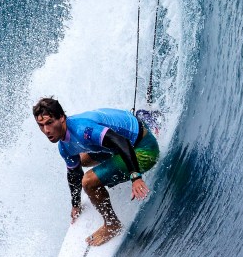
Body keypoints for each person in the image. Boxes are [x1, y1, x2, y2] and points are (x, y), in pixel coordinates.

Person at [33, 97, 160, 246]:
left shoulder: (82, 130)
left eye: (49, 123)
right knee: (82, 160)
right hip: (127, 133)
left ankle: (112, 225)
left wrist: (135, 176)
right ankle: (109, 171)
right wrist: (76, 204)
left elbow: (122, 142)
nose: (46, 130)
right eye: (41, 125)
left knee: (88, 182)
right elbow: (74, 173)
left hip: (143, 149)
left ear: (61, 118)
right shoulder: (64, 146)